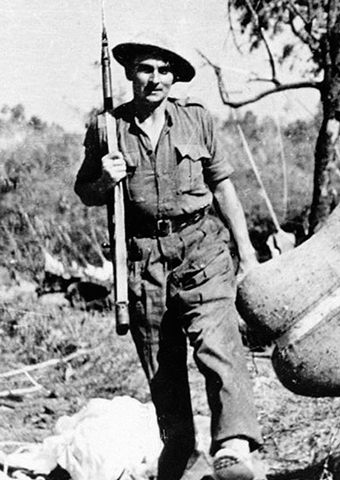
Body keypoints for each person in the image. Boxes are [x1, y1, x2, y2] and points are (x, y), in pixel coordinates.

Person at [75, 34, 263, 480]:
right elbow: (85, 192)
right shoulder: (106, 128)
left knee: (220, 348)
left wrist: (248, 253)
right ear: (129, 74)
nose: (155, 78)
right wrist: (104, 178)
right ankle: (182, 455)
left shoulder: (196, 120)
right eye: (145, 69)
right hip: (142, 260)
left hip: (201, 248)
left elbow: (223, 187)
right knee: (163, 371)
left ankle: (233, 446)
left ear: (174, 77)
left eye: (163, 70)